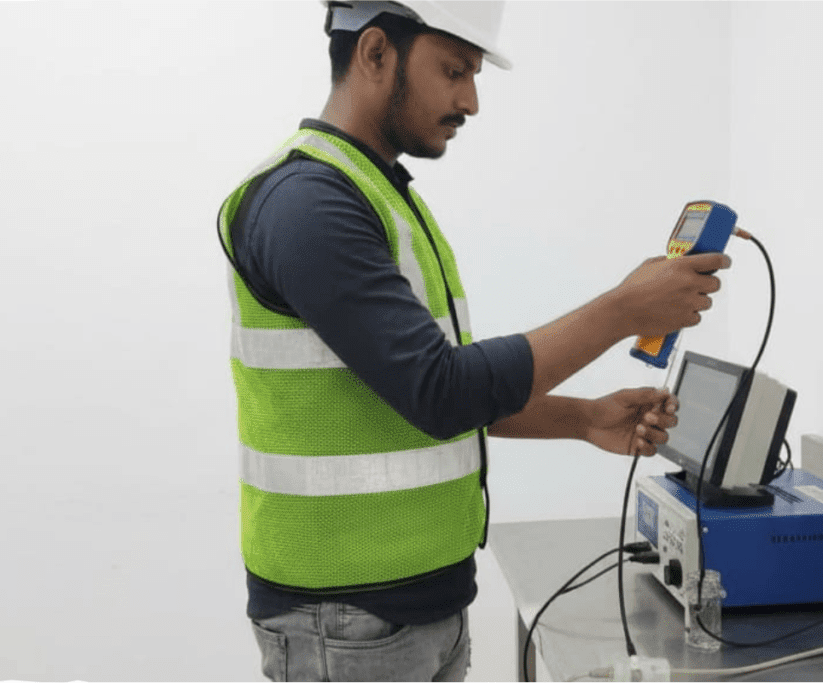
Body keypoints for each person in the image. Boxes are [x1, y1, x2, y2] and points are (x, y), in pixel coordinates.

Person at [217, 2, 730, 680]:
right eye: (455, 70)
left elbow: (426, 386)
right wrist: (622, 308)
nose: (472, 100)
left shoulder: (380, 196)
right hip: (345, 624)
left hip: (410, 612)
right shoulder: (309, 205)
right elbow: (441, 391)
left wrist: (584, 418)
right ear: (375, 54)